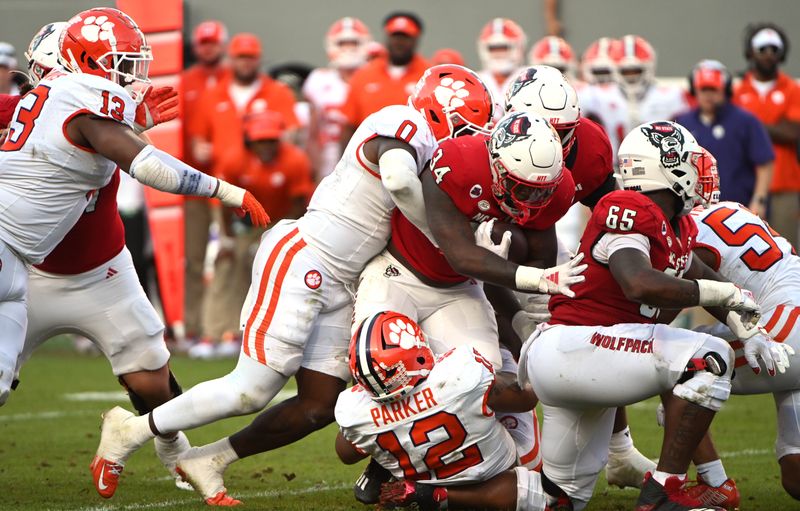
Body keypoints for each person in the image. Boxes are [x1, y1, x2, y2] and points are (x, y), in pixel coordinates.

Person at [89, 65, 532, 505]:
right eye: (465, 126)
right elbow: (397, 179)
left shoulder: (433, 143)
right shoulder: (403, 121)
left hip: (344, 279)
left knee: (319, 405)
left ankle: (210, 460)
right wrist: (447, 236)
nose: (468, 137)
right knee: (252, 388)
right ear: (439, 112)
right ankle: (131, 429)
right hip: (306, 257)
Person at [0, 5, 269, 421]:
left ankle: (178, 456)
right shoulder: (75, 100)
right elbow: (148, 165)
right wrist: (225, 190)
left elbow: (72, 132)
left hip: (68, 266)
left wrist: (130, 120)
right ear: (74, 65)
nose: (129, 78)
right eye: (119, 66)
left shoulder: (46, 107)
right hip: (24, 262)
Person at [519, 121, 790, 510]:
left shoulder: (674, 224)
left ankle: (437, 495)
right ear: (665, 166)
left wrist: (750, 330)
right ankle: (665, 492)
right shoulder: (627, 206)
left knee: (558, 501)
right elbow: (637, 282)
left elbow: (707, 280)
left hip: (584, 357)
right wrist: (722, 293)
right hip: (574, 347)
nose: (699, 172)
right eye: (690, 161)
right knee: (706, 358)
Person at [336, 311, 547, 511]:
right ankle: (439, 495)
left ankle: (386, 465)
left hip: (424, 470)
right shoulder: (459, 374)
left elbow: (345, 453)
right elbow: (525, 401)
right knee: (536, 489)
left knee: (381, 435)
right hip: (494, 471)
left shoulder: (354, 411)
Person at [200, 111, 313, 357]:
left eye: (271, 140)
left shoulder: (295, 160)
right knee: (227, 264)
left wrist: (277, 236)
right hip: (243, 225)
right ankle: (215, 333)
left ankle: (250, 333)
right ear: (249, 141)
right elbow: (221, 200)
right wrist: (226, 238)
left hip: (279, 223)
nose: (266, 146)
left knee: (265, 270)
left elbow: (298, 203)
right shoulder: (233, 160)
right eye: (261, 141)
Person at [182, 20, 231, 345]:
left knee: (228, 256)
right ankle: (191, 326)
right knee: (193, 257)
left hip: (227, 182)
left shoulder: (234, 82)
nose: (208, 48)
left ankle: (221, 327)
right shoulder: (186, 81)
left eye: (213, 42)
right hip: (192, 181)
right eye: (203, 42)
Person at [676, 60, 774, 217]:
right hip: (696, 210)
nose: (708, 95)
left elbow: (764, 163)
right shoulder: (683, 122)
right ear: (695, 91)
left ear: (725, 90)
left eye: (713, 90)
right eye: (704, 89)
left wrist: (759, 199)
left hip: (741, 209)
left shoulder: (746, 121)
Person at [734, 23, 800, 249]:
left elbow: (793, 131)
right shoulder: (737, 91)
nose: (769, 55)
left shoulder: (792, 89)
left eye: (774, 49)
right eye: (763, 49)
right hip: (746, 185)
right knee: (745, 249)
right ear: (750, 51)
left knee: (787, 248)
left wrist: (752, 126)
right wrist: (775, 126)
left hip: (785, 184)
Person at [580, 35, 689, 158]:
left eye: (636, 71)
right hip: (614, 166)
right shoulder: (597, 94)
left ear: (649, 68)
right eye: (625, 72)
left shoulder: (670, 96)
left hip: (659, 164)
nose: (631, 76)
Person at [339, 12, 428, 146]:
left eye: (405, 37)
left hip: (416, 156)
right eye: (395, 36)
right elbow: (349, 126)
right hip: (368, 157)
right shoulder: (364, 75)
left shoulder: (428, 76)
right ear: (387, 37)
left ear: (416, 39)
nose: (399, 42)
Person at [303, 17, 370, 180]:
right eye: (342, 43)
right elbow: (312, 134)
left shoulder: (372, 79)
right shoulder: (318, 80)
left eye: (353, 43)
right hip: (328, 162)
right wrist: (315, 169)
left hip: (366, 158)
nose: (348, 48)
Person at [476, 18, 527, 115]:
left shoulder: (530, 76)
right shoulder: (477, 80)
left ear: (518, 47)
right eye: (493, 48)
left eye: (504, 48)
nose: (499, 54)